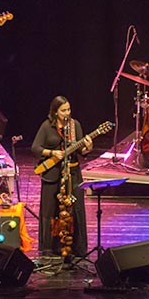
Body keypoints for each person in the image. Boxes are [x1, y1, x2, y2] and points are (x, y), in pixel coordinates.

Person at [31, 96, 93, 261]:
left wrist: (88, 147)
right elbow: (36, 148)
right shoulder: (47, 126)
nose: (67, 113)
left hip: (72, 173)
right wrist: (52, 153)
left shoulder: (75, 125)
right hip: (52, 174)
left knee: (75, 208)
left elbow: (81, 151)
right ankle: (50, 248)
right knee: (50, 211)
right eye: (63, 110)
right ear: (55, 112)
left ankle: (76, 247)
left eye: (69, 109)